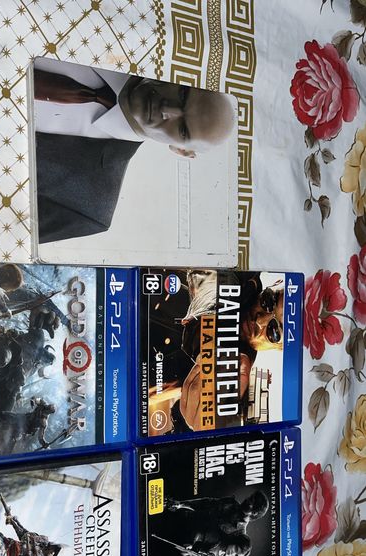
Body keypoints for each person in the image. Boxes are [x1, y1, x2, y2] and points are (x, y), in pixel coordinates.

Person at [33, 57, 235, 242]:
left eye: (182, 130)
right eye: (183, 94)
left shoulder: (89, 208)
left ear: (181, 151)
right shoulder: (119, 40)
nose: (166, 109)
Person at [170, 271, 284, 431]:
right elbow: (212, 287)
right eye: (269, 301)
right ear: (275, 284)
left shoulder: (241, 385)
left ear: (279, 348)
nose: (259, 320)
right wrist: (212, 352)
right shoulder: (240, 275)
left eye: (274, 331)